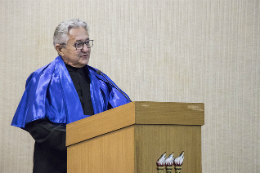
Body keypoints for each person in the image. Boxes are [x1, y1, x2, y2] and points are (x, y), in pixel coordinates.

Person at [11, 19, 131, 173]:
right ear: (60, 49)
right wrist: (76, 138)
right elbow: (36, 124)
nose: (86, 49)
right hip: (56, 163)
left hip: (95, 161)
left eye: (87, 42)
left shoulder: (100, 80)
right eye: (78, 44)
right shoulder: (43, 78)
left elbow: (121, 115)